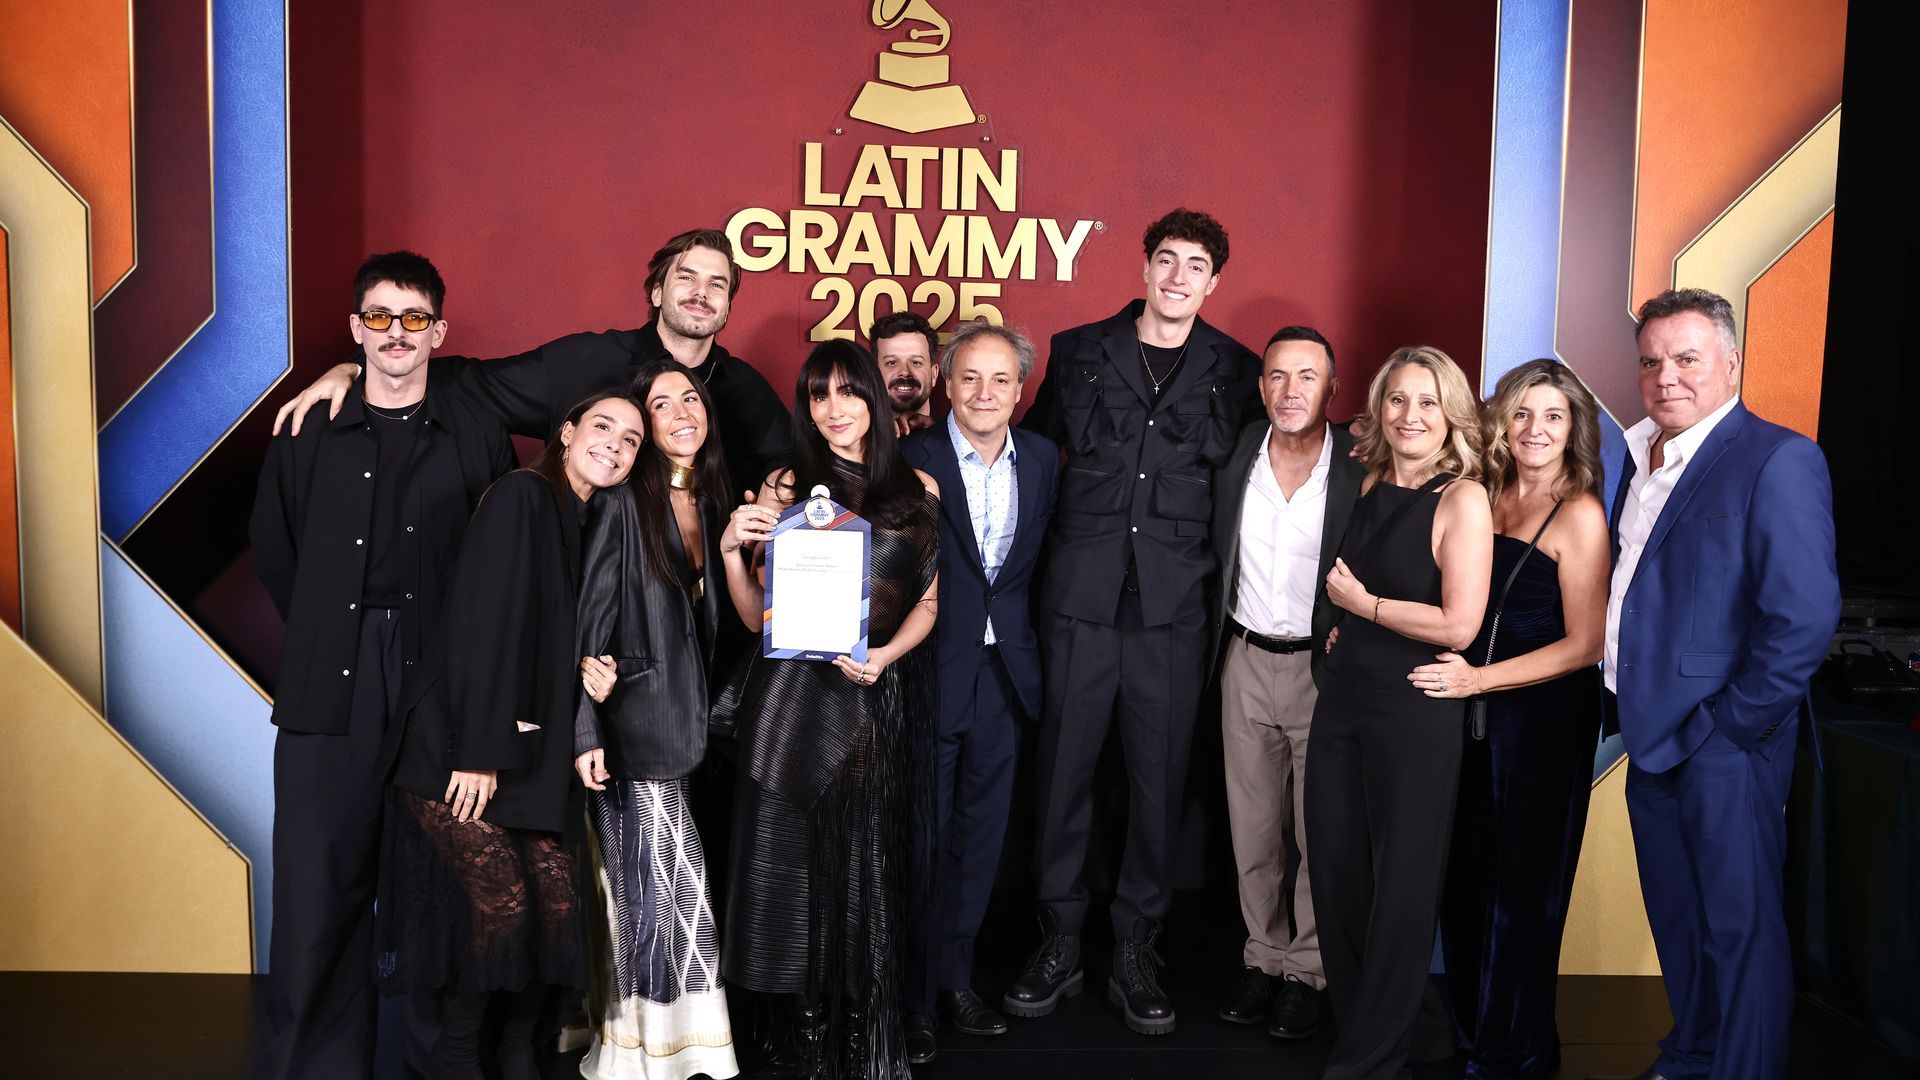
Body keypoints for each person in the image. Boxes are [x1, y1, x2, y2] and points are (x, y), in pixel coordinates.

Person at [249, 252, 514, 1080]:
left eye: (412, 319)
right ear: (355, 327)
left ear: (439, 332)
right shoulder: (308, 427)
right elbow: (275, 546)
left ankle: (441, 1067)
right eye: (377, 317)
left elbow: (503, 560)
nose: (394, 334)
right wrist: (335, 632)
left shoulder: (474, 427)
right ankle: (320, 1066)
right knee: (318, 885)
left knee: (441, 883)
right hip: (334, 671)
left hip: (440, 673)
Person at [1010, 209, 1261, 1035]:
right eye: (1166, 260)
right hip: (1078, 602)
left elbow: (1266, 474)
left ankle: (1134, 949)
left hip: (1172, 612)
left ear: (1213, 281)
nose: (1179, 276)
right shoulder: (1080, 350)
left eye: (1196, 266)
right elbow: (1036, 458)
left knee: (1157, 787)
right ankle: (1058, 940)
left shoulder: (1235, 369)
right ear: (1144, 266)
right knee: (1064, 778)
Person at [1601, 289, 1839, 1080]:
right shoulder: (1636, 460)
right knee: (1680, 919)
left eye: (1686, 358)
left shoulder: (1777, 457)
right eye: (1652, 361)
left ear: (1730, 362)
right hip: (1649, 735)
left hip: (1723, 743)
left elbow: (1803, 618)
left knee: (1739, 930)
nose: (1666, 376)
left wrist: (1728, 729)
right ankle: (1694, 1053)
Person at [376, 390, 646, 1079]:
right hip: (463, 742)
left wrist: (596, 681)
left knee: (557, 909)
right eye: (602, 426)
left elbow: (554, 647)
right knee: (504, 905)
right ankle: (458, 1054)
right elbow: (482, 627)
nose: (615, 443)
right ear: (565, 431)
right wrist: (478, 752)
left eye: (631, 439)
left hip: (531, 747)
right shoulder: (522, 498)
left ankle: (517, 1052)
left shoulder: (588, 523)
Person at [716, 341, 941, 1079]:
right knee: (786, 871)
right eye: (819, 395)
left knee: (860, 872)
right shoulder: (785, 483)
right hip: (786, 704)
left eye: (849, 391)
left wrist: (883, 658)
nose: (835, 409)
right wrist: (728, 553)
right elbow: (755, 619)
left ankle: (855, 1027)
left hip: (870, 703)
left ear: (875, 397)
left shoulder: (919, 489)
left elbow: (930, 604)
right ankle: (804, 1032)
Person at [1406, 359, 1609, 1079]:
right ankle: (1470, 1034)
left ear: (1573, 428)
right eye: (1524, 412)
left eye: (1553, 416)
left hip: (1541, 724)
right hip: (1469, 716)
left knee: (1521, 896)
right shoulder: (1481, 494)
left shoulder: (1578, 511)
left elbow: (1585, 645)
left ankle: (1514, 1054)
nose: (1535, 429)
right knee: (1464, 884)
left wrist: (1478, 681)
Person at [272, 228, 792, 501]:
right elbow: (464, 380)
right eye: (686, 278)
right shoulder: (583, 360)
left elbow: (793, 472)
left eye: (717, 284)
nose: (701, 294)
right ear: (657, 291)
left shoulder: (745, 390)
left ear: (728, 304)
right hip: (582, 596)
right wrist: (356, 367)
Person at [1307, 346, 1493, 1080]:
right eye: (1397, 400)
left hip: (1416, 707)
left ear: (1451, 413)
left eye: (1427, 401)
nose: (1411, 415)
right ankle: (1401, 1028)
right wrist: (1344, 629)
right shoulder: (1370, 480)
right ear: (1379, 409)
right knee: (1338, 872)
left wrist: (1365, 608)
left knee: (1403, 884)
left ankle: (1370, 1060)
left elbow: (1459, 627)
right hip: (1345, 695)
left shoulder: (1463, 498)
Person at [572, 361, 739, 1079]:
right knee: (656, 892)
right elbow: (590, 623)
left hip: (689, 729)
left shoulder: (717, 500)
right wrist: (585, 726)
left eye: (690, 397)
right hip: (629, 727)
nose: (680, 410)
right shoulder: (622, 504)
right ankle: (637, 1056)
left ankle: (678, 1052)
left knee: (668, 889)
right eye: (660, 402)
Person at [898, 322, 1060, 1063]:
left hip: (1005, 678)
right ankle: (910, 998)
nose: (984, 393)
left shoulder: (1047, 460)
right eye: (969, 378)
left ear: (1020, 390)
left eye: (1000, 380)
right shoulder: (907, 459)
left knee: (979, 843)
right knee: (920, 841)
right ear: (944, 383)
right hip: (929, 672)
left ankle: (956, 981)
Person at [1207, 325, 1361, 1041]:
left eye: (1306, 376)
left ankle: (1307, 971)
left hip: (1319, 668)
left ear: (1331, 387)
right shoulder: (1238, 453)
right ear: (1260, 384)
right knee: (1253, 828)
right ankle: (1262, 957)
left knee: (1317, 827)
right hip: (1242, 659)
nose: (1290, 390)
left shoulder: (1362, 467)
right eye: (1276, 376)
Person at [871, 309, 939, 436]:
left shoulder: (957, 438)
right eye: (892, 362)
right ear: (874, 374)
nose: (904, 372)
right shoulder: (855, 439)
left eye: (916, 362)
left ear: (934, 374)